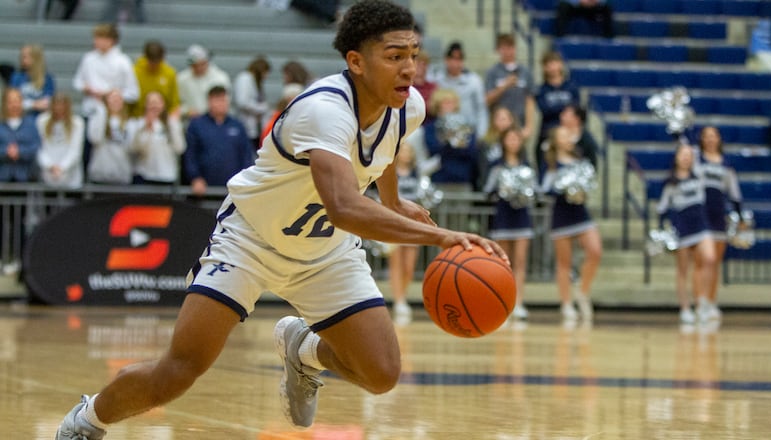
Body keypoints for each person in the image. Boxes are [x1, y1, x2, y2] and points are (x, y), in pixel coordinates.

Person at [55, 2, 507, 437]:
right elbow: (345, 208)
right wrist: (440, 236)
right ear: (357, 61)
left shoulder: (408, 107)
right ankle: (86, 420)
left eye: (413, 55)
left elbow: (382, 149)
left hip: (325, 251)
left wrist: (392, 200)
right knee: (179, 370)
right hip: (251, 241)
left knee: (381, 372)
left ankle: (304, 349)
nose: (410, 68)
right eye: (394, 57)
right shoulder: (323, 110)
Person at [541, 125, 601, 322]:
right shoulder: (551, 164)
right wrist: (561, 188)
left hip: (580, 214)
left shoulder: (581, 160)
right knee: (564, 263)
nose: (567, 138)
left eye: (569, 135)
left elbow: (590, 182)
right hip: (561, 216)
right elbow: (545, 189)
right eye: (563, 135)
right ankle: (566, 303)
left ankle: (582, 292)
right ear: (555, 140)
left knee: (595, 251)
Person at [655, 143, 716, 324]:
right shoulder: (671, 182)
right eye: (682, 154)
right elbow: (662, 207)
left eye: (689, 155)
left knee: (709, 259)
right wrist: (663, 230)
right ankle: (685, 308)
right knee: (683, 270)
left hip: (701, 224)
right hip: (682, 228)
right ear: (676, 157)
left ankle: (702, 301)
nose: (685, 157)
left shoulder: (699, 175)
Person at [482, 126, 535, 320]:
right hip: (503, 217)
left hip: (522, 217)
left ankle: (519, 302)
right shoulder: (496, 166)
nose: (513, 142)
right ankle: (501, 304)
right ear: (503, 141)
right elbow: (487, 190)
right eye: (509, 138)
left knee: (520, 262)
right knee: (503, 263)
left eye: (516, 138)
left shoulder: (527, 166)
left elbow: (535, 190)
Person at [695, 126, 743, 322]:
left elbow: (735, 193)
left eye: (714, 136)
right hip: (700, 216)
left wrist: (740, 216)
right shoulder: (697, 160)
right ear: (702, 139)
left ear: (719, 139)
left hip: (718, 216)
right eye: (706, 136)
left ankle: (711, 301)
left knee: (714, 263)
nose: (710, 139)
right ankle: (699, 302)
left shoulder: (726, 164)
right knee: (702, 261)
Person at [183, 86, 253, 196]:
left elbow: (246, 155)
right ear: (209, 101)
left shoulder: (238, 126)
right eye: (217, 100)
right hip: (204, 189)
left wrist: (245, 180)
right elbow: (190, 155)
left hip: (234, 189)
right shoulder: (197, 125)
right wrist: (195, 178)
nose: (221, 104)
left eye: (223, 100)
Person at [72, 23, 139, 119]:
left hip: (114, 114)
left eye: (100, 38)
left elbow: (133, 93)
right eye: (96, 38)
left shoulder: (123, 61)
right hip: (90, 110)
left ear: (111, 40)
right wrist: (86, 88)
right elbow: (77, 82)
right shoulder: (88, 58)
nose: (96, 41)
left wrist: (112, 95)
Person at [387, 141, 422, 324]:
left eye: (409, 151)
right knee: (396, 264)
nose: (406, 154)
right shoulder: (390, 172)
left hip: (412, 224)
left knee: (409, 266)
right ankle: (398, 300)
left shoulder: (417, 173)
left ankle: (404, 296)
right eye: (403, 150)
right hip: (394, 222)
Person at [534, 51, 580, 177]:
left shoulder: (571, 86)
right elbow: (544, 110)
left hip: (570, 129)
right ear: (544, 67)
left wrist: (556, 109)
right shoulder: (542, 89)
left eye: (555, 63)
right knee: (540, 150)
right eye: (549, 64)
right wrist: (564, 108)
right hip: (548, 130)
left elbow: (577, 109)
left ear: (561, 65)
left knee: (587, 143)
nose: (553, 67)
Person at [429, 41, 488, 139]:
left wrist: (481, 134)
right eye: (452, 58)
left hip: (469, 131)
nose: (455, 63)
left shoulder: (474, 81)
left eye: (459, 59)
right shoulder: (437, 80)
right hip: (443, 132)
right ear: (446, 60)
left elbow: (481, 109)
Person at [424, 87, 478, 192]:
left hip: (462, 177)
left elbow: (471, 151)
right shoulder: (430, 128)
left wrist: (450, 143)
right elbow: (433, 148)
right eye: (445, 103)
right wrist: (451, 142)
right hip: (439, 177)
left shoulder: (466, 126)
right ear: (437, 105)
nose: (449, 106)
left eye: (452, 103)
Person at [484, 33, 535, 141]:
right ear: (498, 50)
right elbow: (487, 100)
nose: (508, 51)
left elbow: (529, 101)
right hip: (498, 125)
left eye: (511, 47)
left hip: (519, 124)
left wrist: (529, 127)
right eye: (504, 47)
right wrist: (504, 86)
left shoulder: (525, 72)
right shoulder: (492, 72)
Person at [128, 91, 185, 185]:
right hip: (144, 175)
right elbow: (134, 149)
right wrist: (146, 129)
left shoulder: (171, 123)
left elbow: (180, 148)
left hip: (167, 176)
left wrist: (174, 126)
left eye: (157, 102)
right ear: (145, 105)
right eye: (151, 102)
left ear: (163, 104)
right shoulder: (138, 123)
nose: (154, 106)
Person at [35, 92, 84, 189]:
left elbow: (75, 150)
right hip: (48, 175)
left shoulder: (77, 123)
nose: (59, 108)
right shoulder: (42, 121)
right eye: (57, 104)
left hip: (71, 178)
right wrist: (50, 166)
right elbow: (39, 148)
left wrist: (62, 167)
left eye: (62, 105)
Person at [86, 89, 134, 184]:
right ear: (106, 100)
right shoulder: (96, 118)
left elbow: (132, 148)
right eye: (112, 98)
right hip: (100, 174)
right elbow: (95, 138)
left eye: (118, 98)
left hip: (122, 175)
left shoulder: (130, 123)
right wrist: (101, 111)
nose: (115, 101)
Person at [177, 44, 231, 121]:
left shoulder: (220, 78)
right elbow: (176, 104)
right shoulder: (182, 79)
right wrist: (187, 111)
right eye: (195, 65)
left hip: (215, 121)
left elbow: (225, 102)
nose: (199, 68)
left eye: (202, 64)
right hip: (191, 122)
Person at [0, 88, 40, 183]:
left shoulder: (31, 123)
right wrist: (6, 152)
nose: (14, 105)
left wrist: (20, 151)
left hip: (26, 176)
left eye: (17, 101)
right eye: (10, 102)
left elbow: (36, 146)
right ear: (5, 104)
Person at [131, 40, 180, 118]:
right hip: (138, 119)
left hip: (162, 121)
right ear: (146, 58)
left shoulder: (170, 73)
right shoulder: (135, 72)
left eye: (157, 63)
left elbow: (174, 104)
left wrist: (171, 123)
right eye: (151, 63)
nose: (154, 66)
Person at [233, 55, 271, 152]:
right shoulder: (245, 78)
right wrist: (261, 108)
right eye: (265, 73)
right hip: (246, 128)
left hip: (255, 130)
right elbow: (242, 102)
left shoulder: (255, 81)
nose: (266, 77)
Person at [9, 44, 55, 117]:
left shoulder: (47, 78)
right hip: (21, 118)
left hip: (40, 118)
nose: (21, 59)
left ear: (35, 58)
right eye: (21, 56)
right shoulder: (17, 77)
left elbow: (47, 102)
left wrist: (27, 103)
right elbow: (13, 102)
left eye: (25, 57)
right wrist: (33, 104)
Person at [477, 105, 517, 190]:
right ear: (493, 121)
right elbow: (481, 168)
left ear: (511, 121)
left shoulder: (517, 141)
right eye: (499, 119)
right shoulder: (485, 143)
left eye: (504, 119)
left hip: (512, 187)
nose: (502, 122)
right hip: (489, 187)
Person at [558, 104, 598, 169]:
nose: (561, 116)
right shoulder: (556, 135)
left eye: (565, 114)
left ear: (577, 119)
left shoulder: (587, 140)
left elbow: (592, 165)